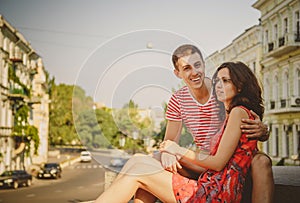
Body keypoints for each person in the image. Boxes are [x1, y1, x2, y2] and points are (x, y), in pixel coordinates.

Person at [95, 61, 266, 203]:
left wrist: (177, 150)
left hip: (215, 194)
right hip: (212, 186)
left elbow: (218, 163)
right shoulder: (234, 112)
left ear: (240, 86)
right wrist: (171, 152)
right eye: (217, 81)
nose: (219, 86)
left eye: (226, 81)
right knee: (138, 160)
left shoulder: (238, 112)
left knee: (140, 169)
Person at [134, 44, 273, 203]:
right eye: (186, 68)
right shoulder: (178, 100)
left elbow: (249, 126)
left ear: (204, 65)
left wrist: (264, 130)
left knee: (262, 161)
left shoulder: (222, 94)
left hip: (227, 162)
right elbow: (170, 141)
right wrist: (167, 153)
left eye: (197, 65)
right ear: (177, 73)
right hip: (202, 162)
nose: (194, 72)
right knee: (153, 162)